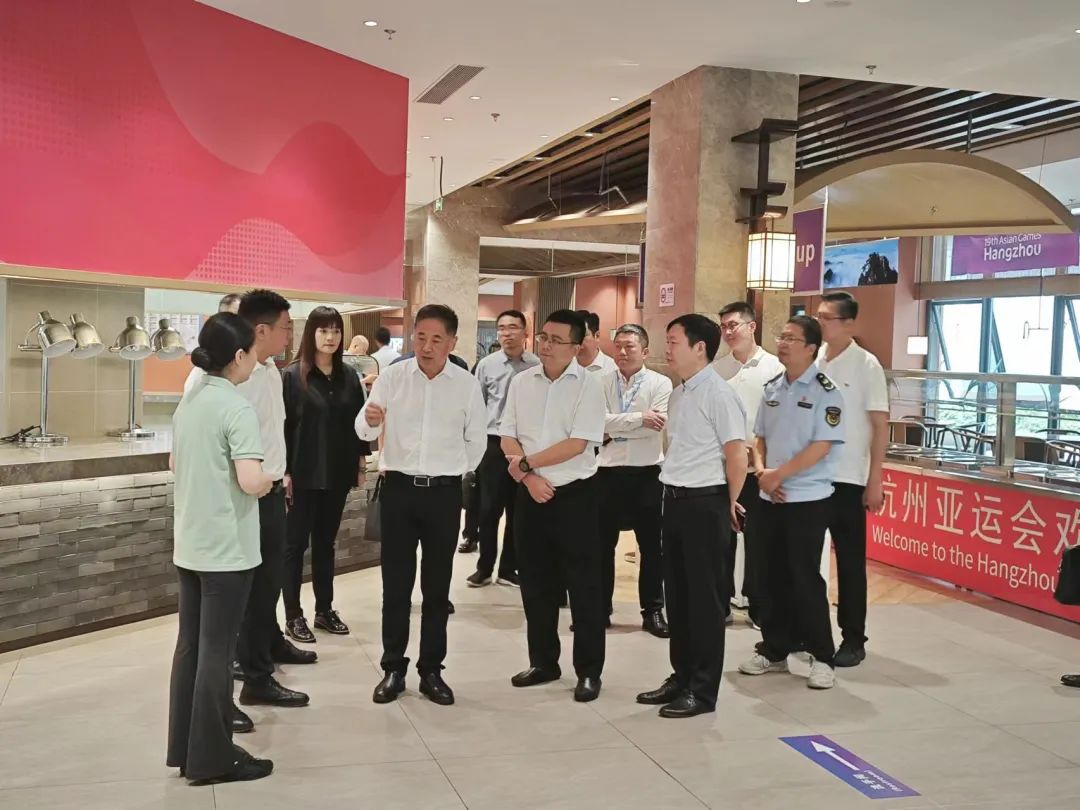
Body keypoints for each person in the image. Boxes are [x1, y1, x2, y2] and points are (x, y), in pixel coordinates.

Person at [184, 291, 313, 735]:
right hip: (240, 500)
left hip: (270, 492)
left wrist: (281, 473)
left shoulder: (270, 371)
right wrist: (260, 480)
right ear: (260, 331)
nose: (290, 335)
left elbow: (271, 434)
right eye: (285, 327)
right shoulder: (221, 382)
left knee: (263, 592)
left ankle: (258, 672)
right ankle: (239, 688)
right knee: (236, 605)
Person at [357, 304, 486, 707]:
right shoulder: (393, 377)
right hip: (397, 490)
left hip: (443, 496)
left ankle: (431, 669)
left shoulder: (465, 385)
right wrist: (371, 419)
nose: (426, 347)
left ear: (451, 342)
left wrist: (452, 470)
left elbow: (477, 441)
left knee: (437, 586)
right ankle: (393, 667)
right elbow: (363, 427)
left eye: (436, 339)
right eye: (421, 337)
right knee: (395, 585)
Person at [167, 313, 274, 785]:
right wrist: (271, 479)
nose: (256, 359)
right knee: (217, 651)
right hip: (227, 550)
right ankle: (213, 758)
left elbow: (175, 463)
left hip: (191, 544)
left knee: (190, 648)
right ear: (239, 356)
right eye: (253, 351)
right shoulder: (236, 407)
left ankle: (185, 748)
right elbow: (250, 480)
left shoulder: (189, 402)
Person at [636, 315, 746, 719]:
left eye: (673, 341)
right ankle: (681, 676)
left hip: (706, 503)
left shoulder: (719, 393)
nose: (667, 349)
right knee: (679, 597)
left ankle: (702, 690)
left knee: (704, 601)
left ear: (700, 348)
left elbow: (737, 453)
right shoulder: (680, 393)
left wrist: (731, 502)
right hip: (676, 501)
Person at [501, 309, 608, 703]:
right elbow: (507, 435)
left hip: (575, 495)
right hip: (530, 495)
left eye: (556, 340)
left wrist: (527, 465)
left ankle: (589, 671)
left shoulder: (589, 385)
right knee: (535, 583)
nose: (545, 345)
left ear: (576, 347)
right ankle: (544, 661)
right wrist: (529, 478)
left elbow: (577, 443)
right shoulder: (521, 381)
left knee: (584, 587)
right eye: (543, 337)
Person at [738, 315, 844, 691]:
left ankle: (822, 655)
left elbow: (822, 445)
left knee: (804, 578)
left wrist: (779, 475)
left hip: (806, 498)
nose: (782, 343)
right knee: (766, 576)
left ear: (811, 348)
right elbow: (760, 437)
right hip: (768, 495)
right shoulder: (773, 387)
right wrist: (763, 471)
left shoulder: (826, 391)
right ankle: (775, 648)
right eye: (781, 337)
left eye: (791, 339)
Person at [281, 307, 370, 643]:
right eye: (323, 331)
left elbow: (358, 424)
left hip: (337, 473)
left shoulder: (350, 376)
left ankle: (324, 609)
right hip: (301, 475)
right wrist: (284, 471)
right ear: (311, 334)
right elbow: (282, 428)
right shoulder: (292, 377)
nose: (330, 337)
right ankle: (293, 615)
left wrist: (360, 464)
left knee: (325, 544)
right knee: (294, 546)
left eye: (335, 331)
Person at [816, 291, 889, 668]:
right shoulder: (815, 358)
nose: (820, 323)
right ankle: (811, 632)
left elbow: (880, 425)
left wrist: (875, 479)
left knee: (849, 562)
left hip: (848, 478)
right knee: (805, 560)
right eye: (818, 316)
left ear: (848, 323)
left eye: (827, 318)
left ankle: (853, 638)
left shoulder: (866, 365)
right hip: (811, 477)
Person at [597, 324, 672, 638]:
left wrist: (614, 428)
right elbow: (594, 423)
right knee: (602, 547)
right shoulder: (600, 381)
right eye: (618, 346)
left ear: (645, 351)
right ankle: (599, 609)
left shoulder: (660, 383)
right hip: (606, 473)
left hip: (647, 473)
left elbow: (658, 426)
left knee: (652, 548)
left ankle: (652, 611)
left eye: (629, 346)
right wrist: (640, 418)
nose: (623, 352)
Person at [714, 301, 784, 630]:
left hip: (759, 469)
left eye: (733, 325)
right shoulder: (717, 370)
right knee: (721, 539)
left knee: (759, 542)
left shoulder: (774, 368)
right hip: (722, 468)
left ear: (751, 326)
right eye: (723, 327)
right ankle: (721, 603)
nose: (728, 332)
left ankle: (759, 606)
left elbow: (779, 419)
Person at [466, 310, 540, 588]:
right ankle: (484, 567)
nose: (506, 333)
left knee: (518, 510)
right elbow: (476, 406)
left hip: (525, 445)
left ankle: (509, 568)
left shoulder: (536, 365)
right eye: (502, 328)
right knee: (488, 509)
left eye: (513, 327)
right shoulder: (486, 365)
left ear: (525, 332)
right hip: (494, 443)